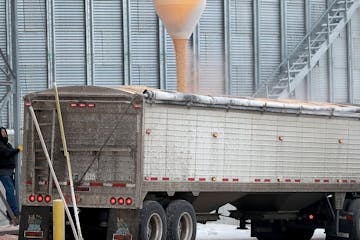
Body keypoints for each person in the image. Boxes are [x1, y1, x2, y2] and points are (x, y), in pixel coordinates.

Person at [0, 127, 22, 220]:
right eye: (2, 132)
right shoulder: (0, 145)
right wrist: (17, 150)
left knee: (14, 190)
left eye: (5, 132)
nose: (4, 134)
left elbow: (10, 151)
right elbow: (8, 153)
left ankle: (10, 211)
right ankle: (14, 211)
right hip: (4, 172)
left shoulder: (7, 144)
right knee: (10, 191)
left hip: (9, 172)